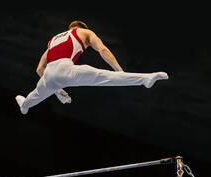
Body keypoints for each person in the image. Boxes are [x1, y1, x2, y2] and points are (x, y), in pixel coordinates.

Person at [16, 20, 168, 114]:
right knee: (104, 76)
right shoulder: (84, 31)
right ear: (80, 28)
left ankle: (24, 107)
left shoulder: (52, 41)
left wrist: (58, 92)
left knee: (36, 95)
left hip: (48, 75)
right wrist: (119, 72)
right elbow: (102, 49)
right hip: (65, 69)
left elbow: (39, 70)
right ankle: (146, 79)